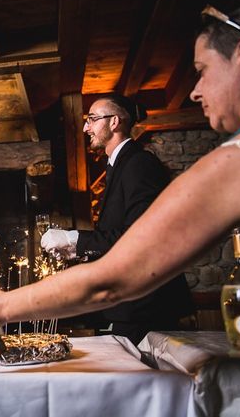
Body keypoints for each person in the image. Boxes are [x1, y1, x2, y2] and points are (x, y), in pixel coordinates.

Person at [0, 2, 240, 348]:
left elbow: (114, 277)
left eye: (202, 70)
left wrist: (1, 305)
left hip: (149, 316)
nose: (195, 90)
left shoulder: (230, 163)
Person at [40, 95, 194, 344]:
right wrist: (76, 251)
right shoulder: (119, 165)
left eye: (92, 119)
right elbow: (119, 234)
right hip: (133, 305)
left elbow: (139, 238)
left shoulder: (139, 163)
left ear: (114, 122)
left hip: (148, 306)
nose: (85, 127)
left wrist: (73, 238)